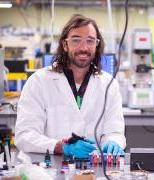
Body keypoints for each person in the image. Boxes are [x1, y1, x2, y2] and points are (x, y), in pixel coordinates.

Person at [15, 14, 126, 158]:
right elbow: (24, 135)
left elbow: (114, 131)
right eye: (76, 40)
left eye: (90, 41)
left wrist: (113, 142)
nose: (84, 47)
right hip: (50, 168)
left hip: (95, 168)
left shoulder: (109, 84)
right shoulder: (39, 81)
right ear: (65, 45)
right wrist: (61, 147)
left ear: (96, 45)